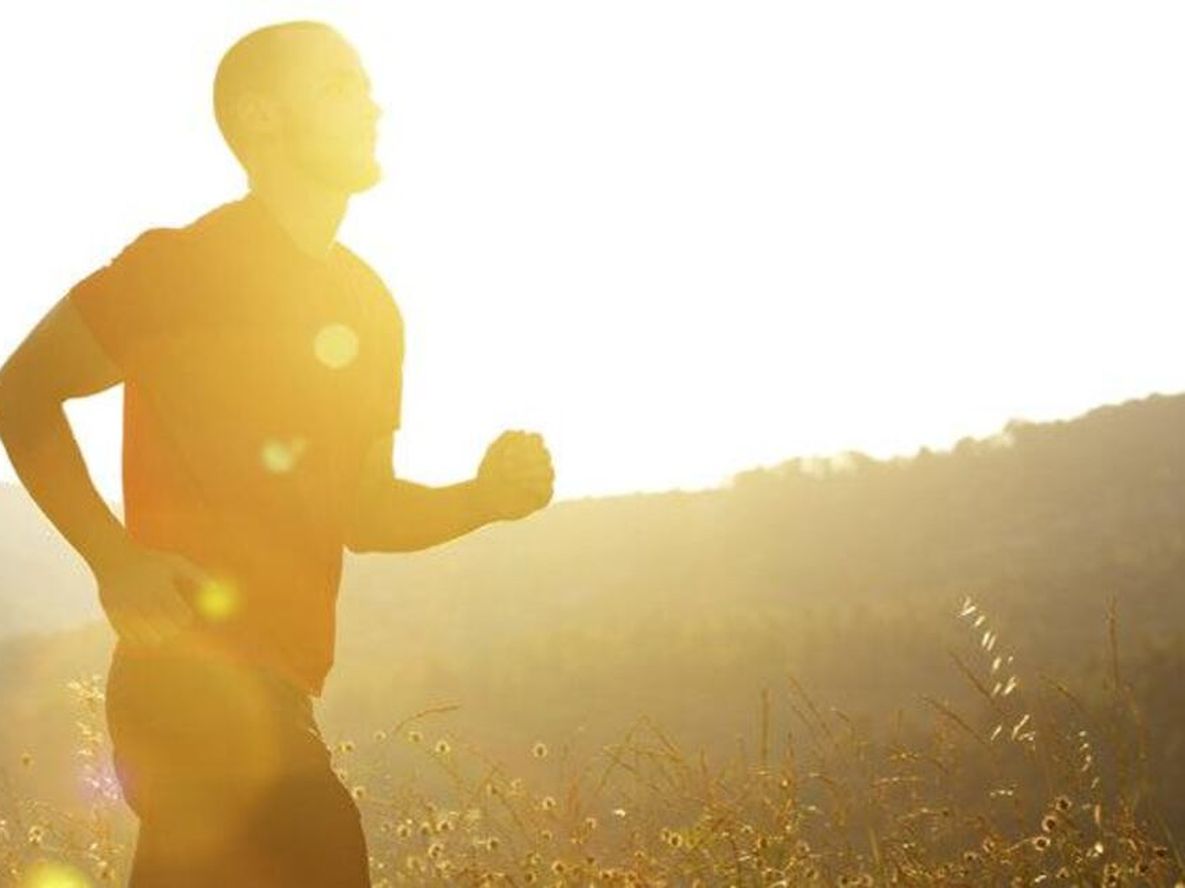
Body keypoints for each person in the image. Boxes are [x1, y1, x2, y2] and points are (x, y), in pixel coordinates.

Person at [0, 19, 554, 887]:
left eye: (364, 85)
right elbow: (19, 391)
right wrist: (114, 560)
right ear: (260, 119)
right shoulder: (179, 268)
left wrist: (480, 498)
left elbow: (364, 513)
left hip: (277, 692)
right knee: (323, 846)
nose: (371, 104)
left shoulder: (368, 306)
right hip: (186, 678)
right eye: (339, 86)